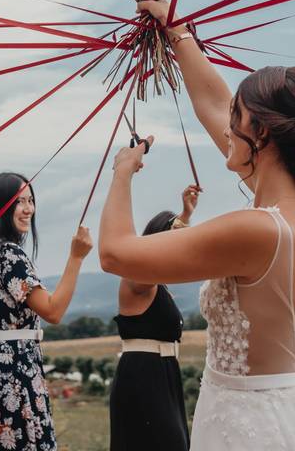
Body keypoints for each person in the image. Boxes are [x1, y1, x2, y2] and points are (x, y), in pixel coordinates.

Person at [98, 0, 295, 450]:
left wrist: (121, 172)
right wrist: (175, 31)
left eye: (237, 119)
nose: (226, 127)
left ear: (263, 133)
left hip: (248, 424)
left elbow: (115, 253)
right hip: (284, 411)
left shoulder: (257, 230)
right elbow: (214, 103)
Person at [0, 172, 93, 451]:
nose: (29, 208)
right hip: (16, 374)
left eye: (31, 200)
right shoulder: (10, 254)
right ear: (0, 207)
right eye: (19, 202)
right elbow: (53, 311)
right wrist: (76, 257)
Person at [109, 184, 200, 451]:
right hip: (143, 373)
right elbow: (163, 259)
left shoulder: (160, 286)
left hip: (165, 373)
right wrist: (181, 224)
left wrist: (185, 214)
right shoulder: (137, 277)